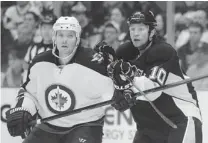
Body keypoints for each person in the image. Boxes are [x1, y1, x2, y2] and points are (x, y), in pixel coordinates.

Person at [96, 11, 202, 143]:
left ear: (151, 32)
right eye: (132, 29)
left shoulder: (164, 51)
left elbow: (152, 92)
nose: (135, 33)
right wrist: (111, 75)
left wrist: (129, 77)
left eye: (141, 29)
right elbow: (118, 93)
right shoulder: (124, 52)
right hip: (148, 128)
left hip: (180, 121)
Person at [6, 16, 114, 143]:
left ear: (77, 39)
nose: (65, 40)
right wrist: (23, 108)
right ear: (54, 38)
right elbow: (29, 93)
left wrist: (121, 93)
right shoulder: (39, 62)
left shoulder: (94, 63)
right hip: (48, 125)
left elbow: (114, 90)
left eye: (70, 36)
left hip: (85, 125)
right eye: (60, 35)